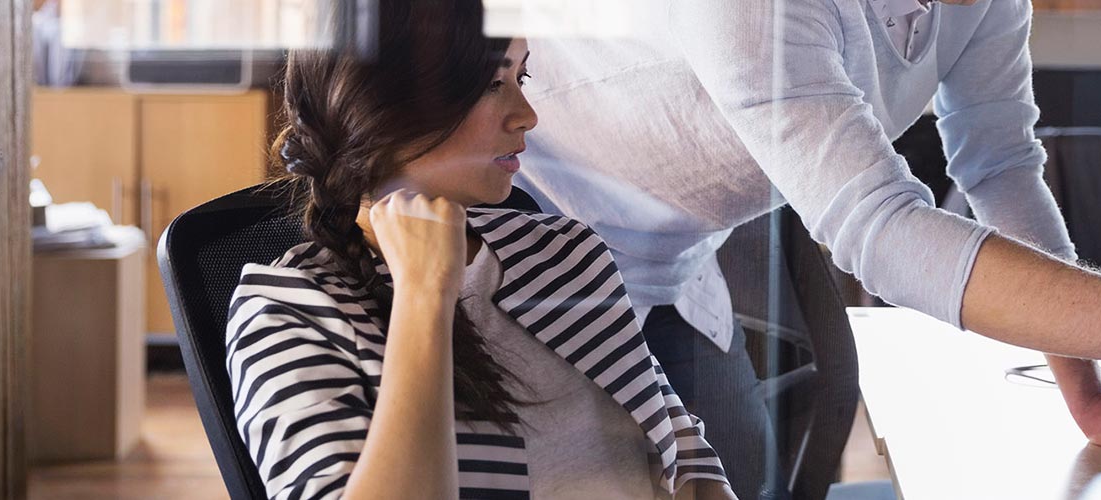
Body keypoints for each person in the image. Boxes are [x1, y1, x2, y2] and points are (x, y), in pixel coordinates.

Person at [515, 1, 1101, 498]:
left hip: (684, 255)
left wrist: (1091, 394)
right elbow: (879, 228)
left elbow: (999, 164)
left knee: (732, 478)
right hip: (535, 233)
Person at [224, 2, 735, 498]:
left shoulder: (565, 251)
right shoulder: (288, 309)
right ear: (382, 102)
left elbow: (681, 448)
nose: (527, 116)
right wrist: (426, 294)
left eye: (523, 79)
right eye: (493, 84)